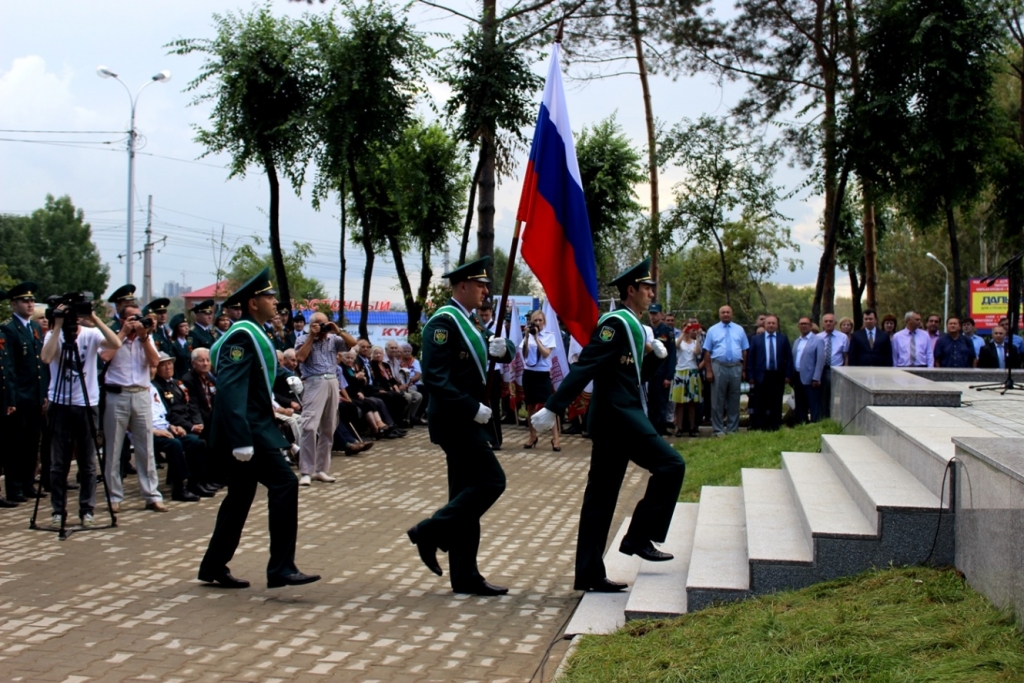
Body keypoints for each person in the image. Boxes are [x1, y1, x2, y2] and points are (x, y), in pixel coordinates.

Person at [531, 257, 684, 593]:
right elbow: (588, 366)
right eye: (646, 288)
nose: (650, 294)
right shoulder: (615, 323)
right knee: (671, 465)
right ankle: (638, 537)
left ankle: (589, 573)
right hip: (619, 417)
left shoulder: (633, 326)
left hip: (621, 415)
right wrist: (554, 408)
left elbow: (631, 378)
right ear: (631, 290)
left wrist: (653, 361)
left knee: (600, 499)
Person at [198, 267, 320, 590]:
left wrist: (284, 377)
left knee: (240, 497)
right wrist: (239, 439)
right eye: (268, 296)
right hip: (248, 432)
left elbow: (261, 370)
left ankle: (212, 565)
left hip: (253, 428)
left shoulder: (256, 331)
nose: (274, 301)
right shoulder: (241, 335)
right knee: (285, 484)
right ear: (254, 303)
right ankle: (281, 567)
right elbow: (230, 389)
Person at [406, 256, 516, 596]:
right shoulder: (444, 321)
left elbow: (493, 351)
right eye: (480, 284)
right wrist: (472, 409)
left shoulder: (470, 322)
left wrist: (506, 349)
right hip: (457, 420)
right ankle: (428, 531)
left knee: (465, 495)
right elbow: (436, 378)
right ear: (462, 286)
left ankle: (465, 575)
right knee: (491, 481)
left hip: (469, 420)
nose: (485, 291)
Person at [40, 300, 120, 526]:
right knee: (59, 462)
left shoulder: (90, 333)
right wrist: (57, 326)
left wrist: (94, 318)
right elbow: (46, 358)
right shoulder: (52, 335)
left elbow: (115, 344)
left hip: (86, 403)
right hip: (60, 402)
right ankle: (58, 511)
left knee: (87, 461)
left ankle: (87, 509)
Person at [101, 302, 165, 513]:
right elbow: (105, 356)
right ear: (122, 320)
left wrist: (144, 336)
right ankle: (114, 496)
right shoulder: (113, 336)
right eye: (132, 318)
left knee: (146, 446)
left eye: (139, 317)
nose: (137, 321)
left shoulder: (145, 338)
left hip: (141, 394)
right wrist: (123, 333)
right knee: (114, 447)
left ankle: (151, 495)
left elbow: (155, 361)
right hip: (117, 395)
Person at [294, 312, 356, 486]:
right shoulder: (302, 339)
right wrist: (312, 337)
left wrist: (338, 330)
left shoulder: (333, 339)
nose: (323, 328)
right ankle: (306, 471)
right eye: (319, 324)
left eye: (324, 324)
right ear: (311, 325)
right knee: (309, 426)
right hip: (314, 381)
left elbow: (352, 344)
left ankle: (322, 470)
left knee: (329, 428)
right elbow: (300, 357)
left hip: (332, 382)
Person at [0, 282, 49, 503]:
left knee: (32, 443)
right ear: (13, 304)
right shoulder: (8, 329)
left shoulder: (35, 329)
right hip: (20, 396)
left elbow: (40, 365)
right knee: (15, 445)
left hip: (35, 396)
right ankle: (15, 487)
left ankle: (29, 483)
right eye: (24, 301)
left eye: (31, 301)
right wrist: (12, 398)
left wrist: (44, 393)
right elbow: (9, 367)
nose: (29, 304)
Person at [153, 353, 216, 499]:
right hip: (173, 425)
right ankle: (179, 487)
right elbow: (170, 413)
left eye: (170, 364)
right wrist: (190, 426)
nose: (168, 367)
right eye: (163, 365)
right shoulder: (157, 386)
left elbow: (191, 405)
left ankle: (197, 482)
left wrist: (196, 422)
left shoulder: (177, 383)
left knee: (198, 442)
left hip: (185, 424)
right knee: (184, 443)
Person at [702, 305, 749, 436]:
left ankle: (732, 429)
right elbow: (707, 352)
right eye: (723, 312)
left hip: (736, 367)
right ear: (719, 315)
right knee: (717, 399)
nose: (726, 314)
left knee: (734, 399)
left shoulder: (739, 329)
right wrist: (709, 371)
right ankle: (718, 429)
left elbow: (745, 350)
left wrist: (744, 369)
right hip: (719, 366)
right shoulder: (712, 330)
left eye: (728, 312)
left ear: (732, 314)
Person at [521, 309, 560, 451]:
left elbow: (545, 354)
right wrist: (526, 337)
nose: (537, 323)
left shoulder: (549, 336)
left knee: (549, 406)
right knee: (530, 406)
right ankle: (533, 436)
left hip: (543, 374)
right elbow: (524, 354)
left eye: (540, 320)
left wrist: (537, 338)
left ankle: (555, 439)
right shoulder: (527, 335)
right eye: (535, 321)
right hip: (529, 374)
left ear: (544, 322)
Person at [746, 314, 792, 432]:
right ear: (764, 324)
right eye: (769, 323)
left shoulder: (783, 338)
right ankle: (759, 425)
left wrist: (787, 375)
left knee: (776, 401)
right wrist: (750, 375)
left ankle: (775, 425)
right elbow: (751, 358)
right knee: (760, 401)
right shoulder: (756, 339)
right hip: (761, 375)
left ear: (777, 325)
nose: (771, 325)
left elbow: (789, 358)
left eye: (773, 323)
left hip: (777, 375)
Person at [647, 304, 676, 435]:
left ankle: (661, 427)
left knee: (661, 402)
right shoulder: (646, 329)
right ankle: (652, 428)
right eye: (651, 313)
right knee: (650, 402)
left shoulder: (667, 331)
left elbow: (672, 355)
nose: (653, 316)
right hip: (648, 372)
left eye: (655, 313)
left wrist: (669, 376)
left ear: (661, 314)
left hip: (662, 372)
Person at [791, 317, 826, 424]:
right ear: (798, 326)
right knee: (800, 404)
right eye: (801, 324)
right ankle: (801, 424)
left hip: (811, 378)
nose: (803, 326)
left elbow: (820, 360)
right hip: (797, 377)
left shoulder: (818, 340)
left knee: (813, 404)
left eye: (806, 324)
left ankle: (815, 424)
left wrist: (816, 377)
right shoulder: (797, 341)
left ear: (811, 326)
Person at [671, 322, 703, 437]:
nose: (689, 330)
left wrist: (698, 337)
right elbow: (676, 346)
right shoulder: (678, 340)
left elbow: (697, 352)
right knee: (679, 403)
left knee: (691, 403)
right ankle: (679, 428)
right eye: (687, 328)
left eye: (691, 329)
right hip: (680, 372)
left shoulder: (694, 342)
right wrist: (683, 333)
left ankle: (691, 428)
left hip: (692, 372)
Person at [817, 313, 848, 419]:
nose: (828, 323)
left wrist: (845, 371)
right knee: (822, 395)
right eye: (826, 321)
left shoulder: (843, 337)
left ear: (835, 323)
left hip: (836, 369)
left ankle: (835, 417)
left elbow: (846, 356)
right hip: (821, 370)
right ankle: (823, 417)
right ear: (823, 323)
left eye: (831, 321)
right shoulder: (817, 337)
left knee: (835, 395)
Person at [182, 348, 216, 427]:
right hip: (200, 419)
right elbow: (193, 405)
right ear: (193, 363)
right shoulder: (188, 380)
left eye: (208, 360)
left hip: (214, 417)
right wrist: (199, 423)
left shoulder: (210, 377)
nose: (205, 363)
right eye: (201, 360)